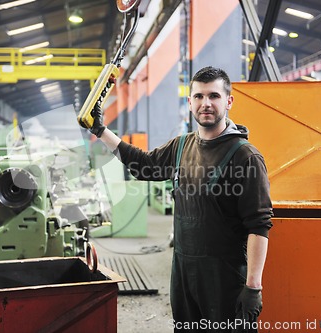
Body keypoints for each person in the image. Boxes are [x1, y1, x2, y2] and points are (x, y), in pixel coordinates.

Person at [82, 66, 273, 332]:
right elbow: (143, 164)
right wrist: (101, 129)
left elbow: (259, 225)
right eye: (199, 96)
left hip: (224, 279)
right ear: (190, 101)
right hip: (184, 274)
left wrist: (253, 287)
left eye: (214, 96)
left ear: (228, 101)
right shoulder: (182, 146)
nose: (206, 103)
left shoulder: (246, 157)